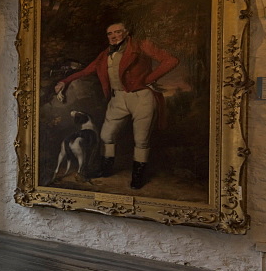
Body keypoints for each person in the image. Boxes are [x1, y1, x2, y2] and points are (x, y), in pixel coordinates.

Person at [53, 22, 179, 189]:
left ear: (126, 33)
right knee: (106, 136)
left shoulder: (141, 45)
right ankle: (106, 169)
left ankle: (138, 176)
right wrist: (64, 81)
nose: (113, 36)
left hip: (141, 98)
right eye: (109, 33)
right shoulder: (105, 54)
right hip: (117, 99)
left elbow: (171, 60)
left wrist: (147, 80)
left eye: (117, 32)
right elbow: (85, 71)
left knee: (141, 140)